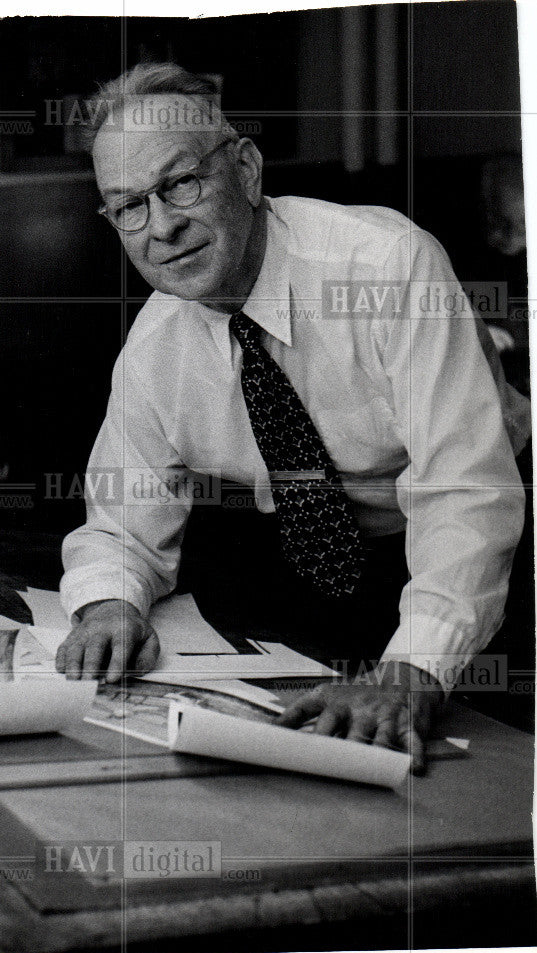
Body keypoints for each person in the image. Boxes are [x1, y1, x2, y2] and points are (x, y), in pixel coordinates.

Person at [55, 63, 531, 773]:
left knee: (493, 778)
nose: (162, 227)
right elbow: (122, 521)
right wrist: (109, 604)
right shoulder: (155, 348)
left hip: (495, 541)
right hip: (330, 564)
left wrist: (412, 672)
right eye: (128, 206)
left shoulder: (384, 265)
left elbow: (465, 492)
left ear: (245, 169)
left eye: (180, 183)